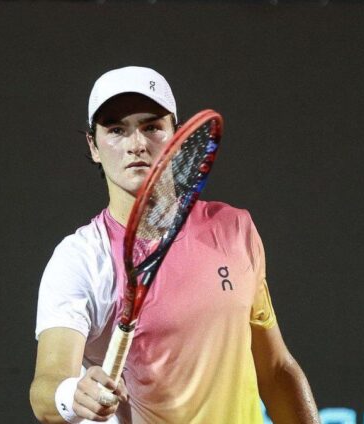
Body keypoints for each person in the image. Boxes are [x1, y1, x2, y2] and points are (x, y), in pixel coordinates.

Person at [29, 66, 319, 424]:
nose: (136, 144)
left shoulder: (233, 228)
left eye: (151, 127)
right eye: (116, 130)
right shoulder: (82, 258)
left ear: (176, 138)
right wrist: (71, 394)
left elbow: (275, 371)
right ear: (93, 146)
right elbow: (47, 386)